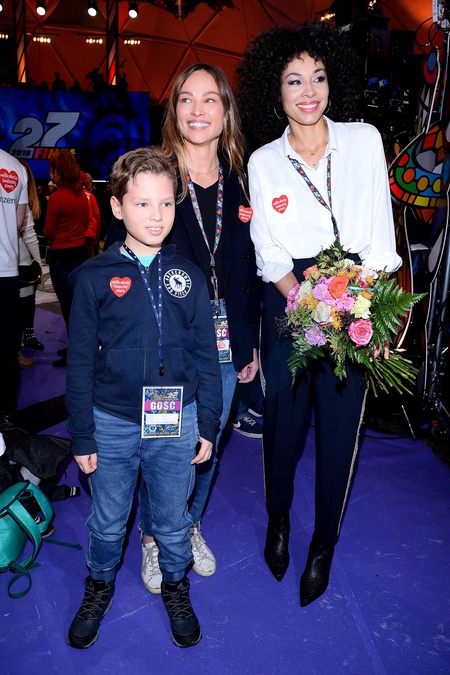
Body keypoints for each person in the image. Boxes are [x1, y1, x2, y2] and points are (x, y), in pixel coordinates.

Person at [236, 22, 402, 606]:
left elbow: (380, 234)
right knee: (282, 425)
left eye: (319, 77)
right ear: (274, 90)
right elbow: (268, 250)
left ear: (333, 82)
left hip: (357, 295)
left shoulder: (365, 141)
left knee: (338, 431)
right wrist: (306, 300)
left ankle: (323, 543)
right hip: (290, 299)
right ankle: (278, 519)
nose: (308, 91)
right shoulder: (263, 160)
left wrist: (364, 309)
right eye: (293, 80)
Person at [105, 64, 261, 591]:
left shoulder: (243, 182)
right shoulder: (156, 176)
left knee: (206, 443)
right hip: (165, 343)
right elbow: (120, 260)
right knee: (164, 444)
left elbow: (248, 267)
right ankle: (154, 537)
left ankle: (186, 525)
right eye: (186, 99)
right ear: (173, 111)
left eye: (210, 98)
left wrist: (248, 340)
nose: (198, 110)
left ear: (226, 110)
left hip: (226, 340)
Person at [65, 146, 222, 649]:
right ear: (116, 207)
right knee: (108, 521)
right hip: (111, 420)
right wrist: (82, 434)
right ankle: (99, 585)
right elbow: (80, 362)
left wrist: (208, 422)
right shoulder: (93, 277)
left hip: (175, 417)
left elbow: (206, 354)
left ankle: (176, 585)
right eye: (142, 203)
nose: (157, 216)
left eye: (166, 203)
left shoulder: (189, 276)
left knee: (173, 519)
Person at [44, 150, 89, 367]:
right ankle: (76, 348)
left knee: (68, 307)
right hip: (79, 253)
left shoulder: (57, 197)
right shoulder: (82, 196)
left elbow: (48, 231)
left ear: (58, 171)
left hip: (61, 256)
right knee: (77, 306)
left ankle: (75, 352)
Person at [0, 149, 28, 423]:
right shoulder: (15, 167)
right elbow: (19, 222)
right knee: (7, 348)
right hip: (7, 272)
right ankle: (6, 410)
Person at [17, 159, 45, 358]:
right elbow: (28, 234)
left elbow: (29, 234)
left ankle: (28, 335)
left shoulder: (28, 201)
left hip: (23, 262)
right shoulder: (19, 201)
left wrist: (37, 262)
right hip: (16, 262)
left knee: (27, 302)